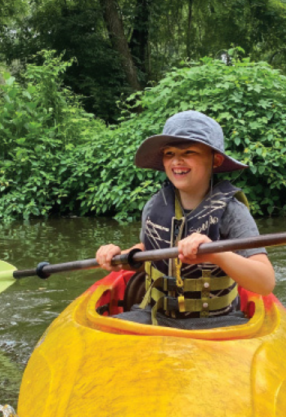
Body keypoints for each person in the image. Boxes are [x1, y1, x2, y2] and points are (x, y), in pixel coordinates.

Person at [96, 110, 275, 329]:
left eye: (188, 152)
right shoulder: (155, 205)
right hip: (155, 316)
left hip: (217, 323)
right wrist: (121, 256)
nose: (177, 161)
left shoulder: (232, 211)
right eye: (169, 153)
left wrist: (216, 254)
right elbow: (149, 247)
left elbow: (265, 282)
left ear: (215, 159)